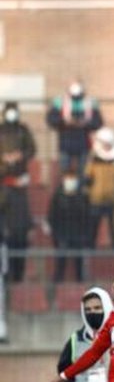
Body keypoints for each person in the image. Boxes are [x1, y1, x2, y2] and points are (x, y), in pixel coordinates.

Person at [0, 101, 36, 283]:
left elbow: (32, 149)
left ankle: (17, 276)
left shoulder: (23, 130)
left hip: (19, 188)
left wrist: (20, 156)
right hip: (3, 187)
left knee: (19, 233)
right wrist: (4, 160)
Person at [84, 127, 114, 249]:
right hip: (96, 198)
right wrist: (88, 192)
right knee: (92, 226)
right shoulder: (94, 159)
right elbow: (88, 177)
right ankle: (90, 248)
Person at [47, 80, 103, 173]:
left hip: (83, 143)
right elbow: (51, 120)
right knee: (65, 171)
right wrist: (64, 122)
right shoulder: (60, 102)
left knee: (84, 171)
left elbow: (98, 122)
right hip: (66, 142)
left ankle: (81, 186)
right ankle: (67, 186)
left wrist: (85, 124)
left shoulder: (90, 103)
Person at [48, 170, 92, 282]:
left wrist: (85, 232)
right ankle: (58, 282)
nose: (70, 181)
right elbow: (52, 215)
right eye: (68, 178)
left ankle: (80, 281)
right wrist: (55, 232)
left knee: (79, 260)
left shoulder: (82, 196)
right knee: (61, 259)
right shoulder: (57, 195)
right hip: (62, 233)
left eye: (73, 179)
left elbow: (87, 215)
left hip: (78, 233)